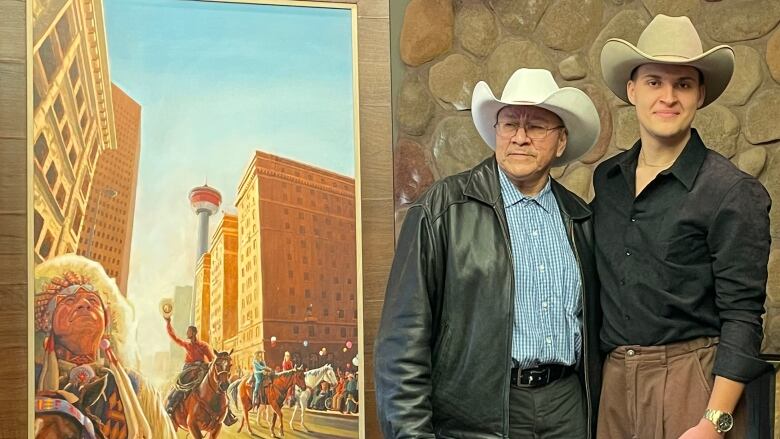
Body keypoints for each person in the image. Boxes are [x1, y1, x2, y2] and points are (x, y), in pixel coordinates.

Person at [374, 68, 603, 438]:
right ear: (496, 133)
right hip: (477, 415)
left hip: (567, 409)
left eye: (537, 127)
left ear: (561, 142)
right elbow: (402, 341)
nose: (521, 138)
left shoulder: (581, 219)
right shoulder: (442, 210)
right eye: (510, 124)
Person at [593, 14, 771, 438]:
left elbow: (743, 316)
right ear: (632, 90)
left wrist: (715, 422)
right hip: (614, 382)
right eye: (654, 81)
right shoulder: (608, 180)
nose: (668, 96)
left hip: (694, 383)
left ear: (700, 95)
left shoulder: (731, 192)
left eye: (683, 84)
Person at [34, 254, 175, 439]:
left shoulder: (137, 388)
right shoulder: (27, 378)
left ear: (106, 322)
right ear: (47, 321)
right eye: (68, 300)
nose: (84, 303)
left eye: (93, 301)